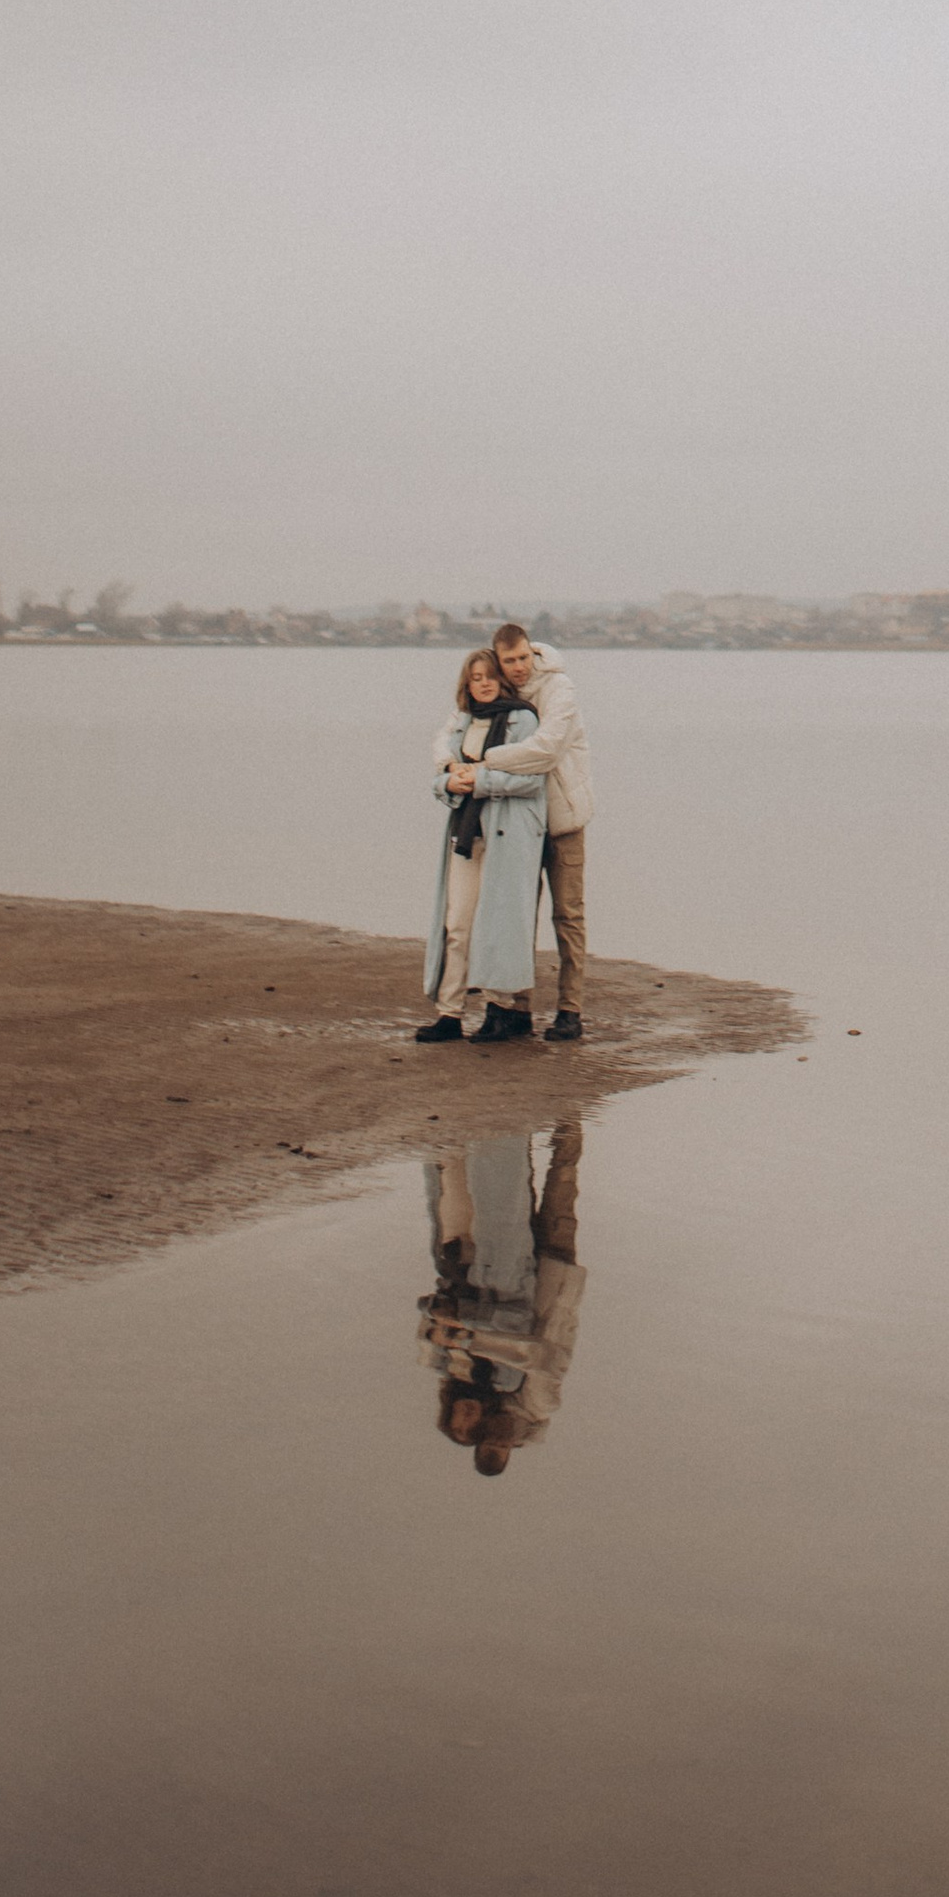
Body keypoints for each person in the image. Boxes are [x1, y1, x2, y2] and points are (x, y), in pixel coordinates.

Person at [417, 1119, 588, 1475]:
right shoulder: (526, 1396)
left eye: (456, 1423)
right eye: (474, 1428)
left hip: (467, 1265)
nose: (464, 1417)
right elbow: (533, 1346)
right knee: (546, 1187)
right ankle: (564, 1118)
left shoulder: (443, 1367)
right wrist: (463, 1327)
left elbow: (426, 1317)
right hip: (542, 1277)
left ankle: (492, 1120)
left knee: (453, 1180)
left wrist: (448, 1321)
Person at [418, 648, 546, 1044]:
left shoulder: (523, 719)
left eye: (490, 675)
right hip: (465, 835)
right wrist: (447, 783)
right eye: (476, 677)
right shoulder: (463, 722)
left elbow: (532, 780)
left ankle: (499, 1009)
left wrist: (480, 779)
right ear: (467, 683)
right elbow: (443, 776)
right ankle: (449, 1013)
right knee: (457, 925)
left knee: (498, 924)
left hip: (508, 838)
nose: (485, 683)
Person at [487, 622, 594, 1043]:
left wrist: (487, 761)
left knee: (568, 915)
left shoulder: (559, 689)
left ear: (532, 651)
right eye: (508, 660)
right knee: (514, 915)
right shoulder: (498, 690)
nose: (517, 667)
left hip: (564, 819)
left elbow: (547, 749)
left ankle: (570, 1010)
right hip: (518, 820)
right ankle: (515, 1007)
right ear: (498, 660)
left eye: (521, 657)